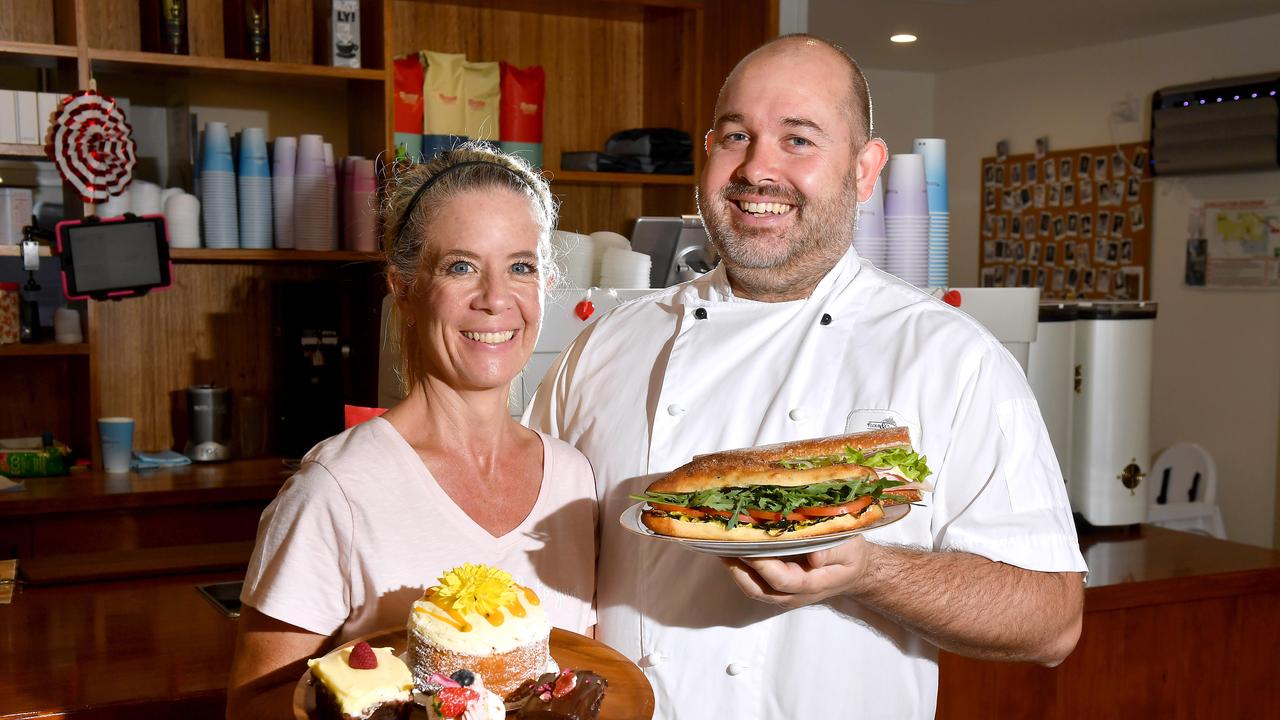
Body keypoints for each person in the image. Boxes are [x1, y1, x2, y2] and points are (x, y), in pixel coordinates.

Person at [525, 35, 1087, 719]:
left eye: (798, 140)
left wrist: (872, 571)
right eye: (737, 135)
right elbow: (530, 554)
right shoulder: (605, 346)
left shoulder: (950, 358)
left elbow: (1052, 621)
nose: (758, 168)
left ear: (864, 169)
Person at [227, 145, 597, 718]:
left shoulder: (574, 478)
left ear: (545, 283)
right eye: (461, 266)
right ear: (404, 287)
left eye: (520, 266)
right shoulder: (337, 489)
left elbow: (585, 678)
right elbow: (251, 708)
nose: (496, 298)